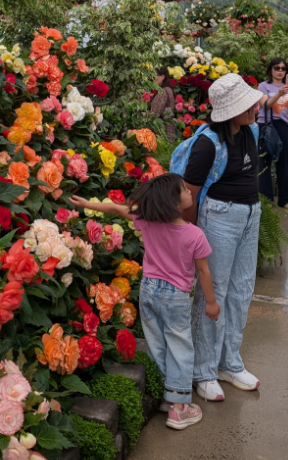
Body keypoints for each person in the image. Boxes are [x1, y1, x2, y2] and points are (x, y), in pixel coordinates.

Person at [71, 174, 219, 430]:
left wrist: (87, 205)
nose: (190, 192)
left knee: (156, 342)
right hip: (175, 296)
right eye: (185, 190)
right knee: (181, 344)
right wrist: (211, 302)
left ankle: (164, 394)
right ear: (173, 202)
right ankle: (180, 407)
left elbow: (117, 209)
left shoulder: (147, 222)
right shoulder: (194, 235)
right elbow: (204, 271)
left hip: (148, 291)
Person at [175, 73, 264, 402]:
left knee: (241, 290)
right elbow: (188, 196)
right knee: (215, 292)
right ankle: (204, 370)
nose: (254, 107)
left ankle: (229, 362)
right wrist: (192, 238)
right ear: (229, 113)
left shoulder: (249, 130)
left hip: (249, 216)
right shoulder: (207, 143)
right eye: (246, 105)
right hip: (219, 218)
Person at [257, 58, 288, 209]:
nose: (280, 71)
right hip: (266, 125)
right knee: (264, 163)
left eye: (283, 68)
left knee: (284, 162)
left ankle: (286, 199)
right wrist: (279, 94)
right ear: (271, 70)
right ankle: (266, 199)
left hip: (283, 126)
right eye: (277, 68)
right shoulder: (263, 86)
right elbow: (265, 104)